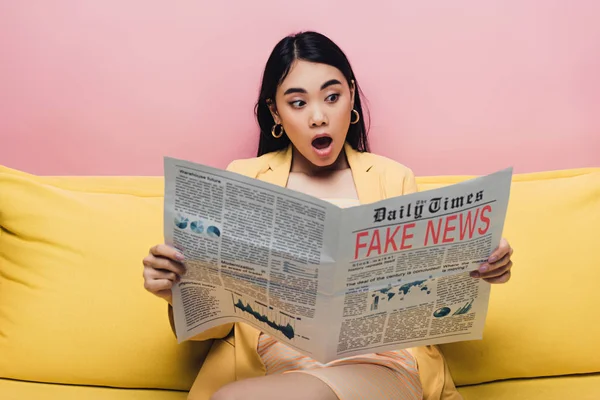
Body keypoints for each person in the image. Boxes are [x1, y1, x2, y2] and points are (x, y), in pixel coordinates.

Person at [142, 31, 514, 400]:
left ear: (351, 95)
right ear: (275, 111)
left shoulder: (392, 177)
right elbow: (218, 324)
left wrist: (477, 269)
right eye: (298, 103)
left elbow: (427, 304)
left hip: (379, 365)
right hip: (277, 366)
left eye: (332, 97)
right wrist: (178, 291)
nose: (319, 117)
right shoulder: (244, 179)